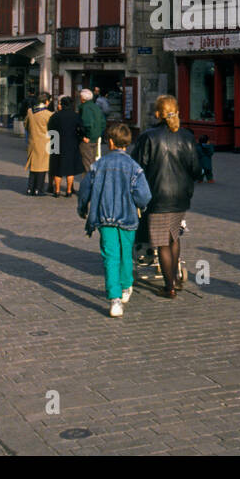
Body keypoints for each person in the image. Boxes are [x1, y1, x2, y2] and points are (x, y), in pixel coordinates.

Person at [78, 122, 152, 317]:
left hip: (105, 217)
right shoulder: (134, 166)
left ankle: (115, 299)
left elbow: (85, 190)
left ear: (110, 142)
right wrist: (140, 206)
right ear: (126, 143)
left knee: (110, 257)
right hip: (128, 216)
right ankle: (127, 286)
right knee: (126, 254)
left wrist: (82, 208)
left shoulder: (98, 165)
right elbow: (144, 195)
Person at [129, 95, 200, 298]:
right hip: (180, 197)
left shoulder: (149, 136)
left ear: (158, 113)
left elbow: (138, 167)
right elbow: (196, 169)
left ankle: (169, 286)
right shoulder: (187, 136)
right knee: (173, 237)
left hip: (157, 196)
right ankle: (175, 279)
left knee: (162, 242)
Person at [48, 96, 84, 197]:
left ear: (62, 105)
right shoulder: (75, 116)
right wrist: (80, 138)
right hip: (71, 143)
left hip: (56, 143)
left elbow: (50, 129)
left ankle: (57, 190)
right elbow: (81, 129)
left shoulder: (55, 116)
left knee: (57, 168)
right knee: (70, 168)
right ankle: (68, 190)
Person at [23, 92, 53, 196]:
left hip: (32, 142)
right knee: (42, 167)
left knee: (33, 167)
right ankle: (38, 189)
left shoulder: (30, 111)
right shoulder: (49, 114)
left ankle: (30, 188)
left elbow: (25, 124)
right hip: (44, 143)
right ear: (46, 101)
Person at [78, 87, 107, 172]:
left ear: (82, 98)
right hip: (96, 137)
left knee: (87, 165)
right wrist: (98, 134)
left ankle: (90, 184)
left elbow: (86, 123)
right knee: (93, 162)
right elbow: (103, 122)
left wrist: (85, 136)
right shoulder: (95, 107)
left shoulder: (85, 107)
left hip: (88, 139)